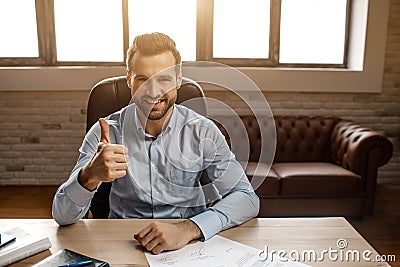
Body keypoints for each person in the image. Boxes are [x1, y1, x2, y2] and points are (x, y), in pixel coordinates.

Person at [52, 32, 259, 254]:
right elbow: (62, 216)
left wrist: (188, 229)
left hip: (189, 246)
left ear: (179, 79)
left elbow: (247, 198)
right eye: (142, 79)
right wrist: (90, 175)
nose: (153, 91)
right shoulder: (105, 132)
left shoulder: (203, 131)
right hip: (123, 244)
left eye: (164, 78)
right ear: (129, 79)